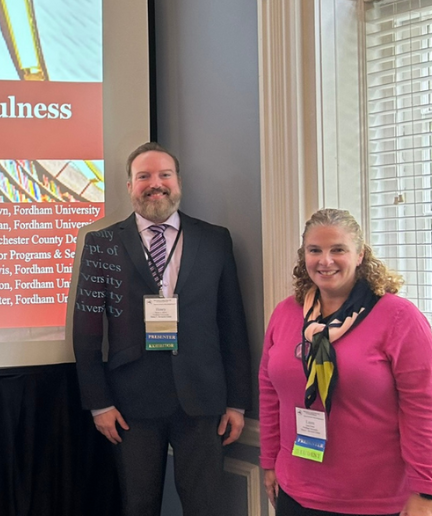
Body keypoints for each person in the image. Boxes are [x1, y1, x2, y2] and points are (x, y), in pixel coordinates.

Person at [72, 142, 252, 516]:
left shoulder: (215, 239)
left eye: (164, 175)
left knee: (205, 507)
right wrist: (99, 403)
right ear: (129, 186)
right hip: (130, 404)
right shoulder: (101, 244)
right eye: (144, 177)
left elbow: (232, 325)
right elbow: (87, 332)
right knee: (139, 505)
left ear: (179, 181)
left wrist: (237, 401)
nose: (155, 184)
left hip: (203, 400)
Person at [259, 208, 432, 516]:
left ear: (359, 255)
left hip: (374, 501)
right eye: (314, 250)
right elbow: (269, 392)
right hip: (295, 490)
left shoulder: (399, 318)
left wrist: (426, 492)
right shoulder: (286, 313)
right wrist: (269, 461)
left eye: (338, 250)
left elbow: (422, 410)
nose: (325, 261)